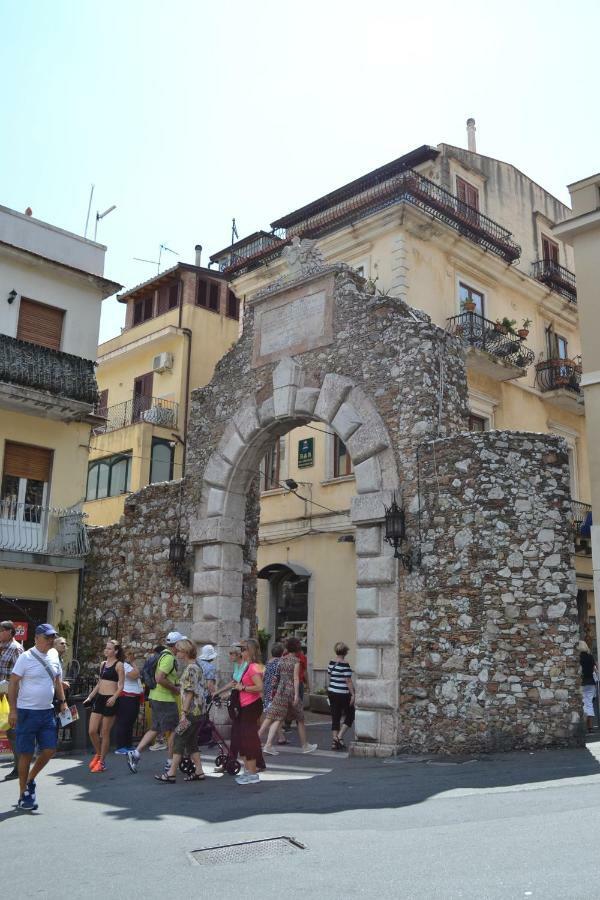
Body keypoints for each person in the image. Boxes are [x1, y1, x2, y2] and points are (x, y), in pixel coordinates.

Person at [7, 623, 67, 811]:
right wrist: (13, 710)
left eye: (52, 637)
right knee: (25, 753)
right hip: (26, 712)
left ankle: (31, 779)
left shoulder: (54, 655)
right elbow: (13, 683)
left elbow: (57, 679)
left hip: (46, 711)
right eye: (47, 637)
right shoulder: (25, 657)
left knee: (50, 749)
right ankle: (23, 793)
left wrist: (62, 701)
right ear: (37, 638)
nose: (51, 640)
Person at [127, 631, 184, 773]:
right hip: (165, 699)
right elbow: (160, 678)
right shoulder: (169, 658)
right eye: (181, 644)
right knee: (172, 732)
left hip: (155, 696)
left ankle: (135, 753)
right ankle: (170, 762)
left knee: (155, 728)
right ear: (176, 645)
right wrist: (175, 689)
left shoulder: (161, 655)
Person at [155, 639, 207, 783]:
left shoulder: (191, 668)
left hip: (191, 712)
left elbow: (189, 692)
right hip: (198, 712)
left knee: (178, 737)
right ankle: (199, 771)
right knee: (190, 742)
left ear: (184, 652)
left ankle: (171, 773)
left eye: (178, 650)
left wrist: (183, 712)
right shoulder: (196, 666)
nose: (176, 653)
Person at [262, 637, 317, 756]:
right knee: (300, 718)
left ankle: (268, 744)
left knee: (277, 717)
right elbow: (296, 679)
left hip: (280, 690)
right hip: (290, 691)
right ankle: (305, 745)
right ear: (297, 648)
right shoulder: (296, 661)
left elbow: (277, 676)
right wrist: (297, 694)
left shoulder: (282, 659)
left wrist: (273, 690)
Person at [84, 639, 125, 772]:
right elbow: (99, 683)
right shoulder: (102, 664)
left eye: (109, 648)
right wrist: (90, 697)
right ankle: (99, 753)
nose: (106, 650)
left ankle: (102, 762)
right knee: (92, 730)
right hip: (100, 699)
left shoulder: (119, 665)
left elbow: (121, 686)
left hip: (111, 699)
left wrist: (114, 697)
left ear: (116, 651)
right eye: (106, 648)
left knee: (104, 732)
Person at [231, 638, 264, 785]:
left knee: (248, 739)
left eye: (243, 649)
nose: (241, 652)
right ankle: (248, 770)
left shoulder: (253, 667)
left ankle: (252, 773)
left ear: (249, 651)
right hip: (245, 705)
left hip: (251, 705)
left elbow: (260, 687)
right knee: (244, 739)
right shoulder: (249, 666)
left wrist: (243, 688)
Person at [0, 620, 24, 781]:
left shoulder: (16, 649)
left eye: (1, 630)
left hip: (10, 696)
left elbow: (20, 675)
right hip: (1, 695)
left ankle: (19, 767)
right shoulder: (1, 648)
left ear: (10, 632)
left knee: (12, 731)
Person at [114, 648, 144, 754]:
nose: (132, 656)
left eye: (132, 654)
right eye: (129, 654)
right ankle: (121, 746)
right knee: (124, 721)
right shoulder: (124, 665)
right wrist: (133, 662)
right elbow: (135, 675)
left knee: (130, 721)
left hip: (132, 696)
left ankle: (128, 744)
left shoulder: (128, 665)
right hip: (127, 696)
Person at [327, 641, 355, 750]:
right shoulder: (345, 664)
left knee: (335, 716)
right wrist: (352, 694)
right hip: (343, 693)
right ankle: (338, 737)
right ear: (345, 652)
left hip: (332, 692)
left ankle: (335, 742)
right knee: (351, 714)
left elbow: (330, 674)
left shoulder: (331, 662)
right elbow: (348, 680)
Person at [258, 642, 285, 745]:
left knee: (273, 715)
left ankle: (281, 737)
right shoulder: (281, 663)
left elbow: (263, 676)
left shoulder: (268, 662)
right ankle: (260, 737)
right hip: (276, 692)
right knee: (274, 716)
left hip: (267, 690)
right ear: (282, 652)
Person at [578, 640, 597, 733]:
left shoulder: (578, 658)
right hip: (591, 682)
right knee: (589, 703)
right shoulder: (590, 657)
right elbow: (595, 669)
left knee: (583, 704)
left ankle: (584, 726)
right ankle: (590, 727)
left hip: (582, 682)